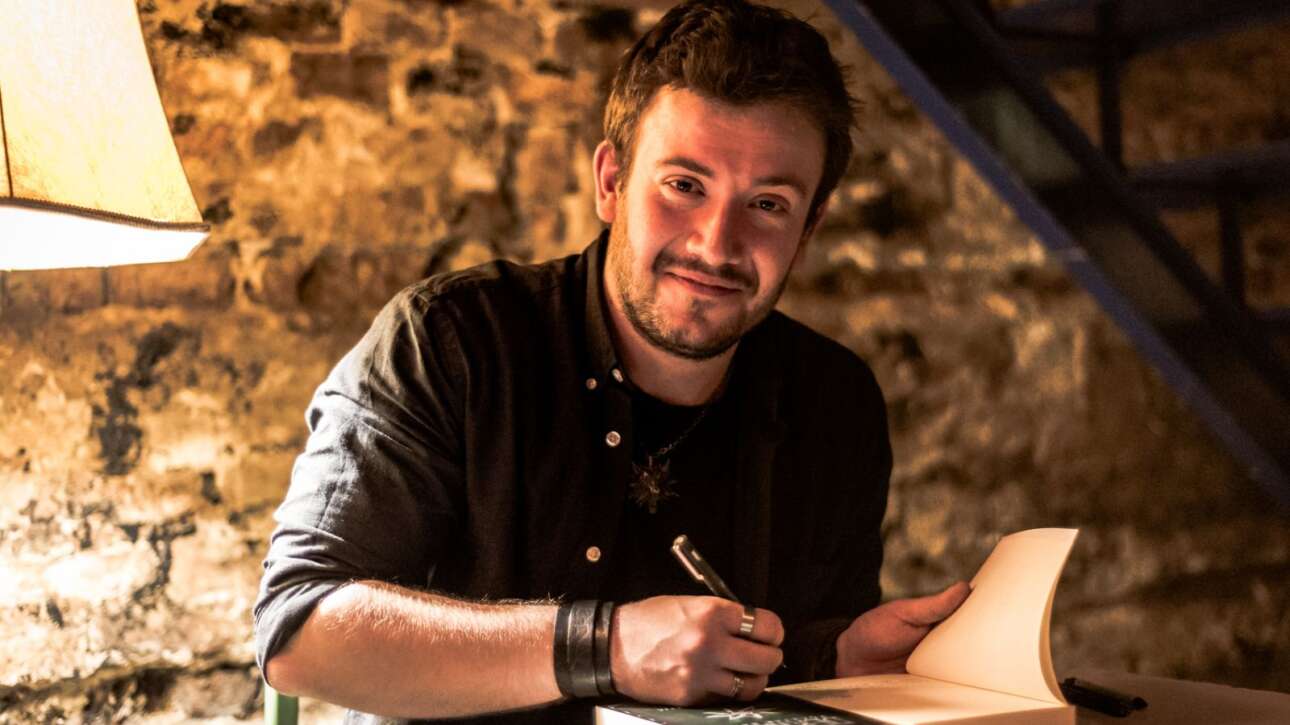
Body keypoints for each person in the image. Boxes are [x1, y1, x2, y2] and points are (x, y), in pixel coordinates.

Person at [254, 1, 969, 722]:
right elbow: (299, 630)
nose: (716, 244)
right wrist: (608, 645)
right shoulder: (450, 341)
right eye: (684, 186)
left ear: (809, 227)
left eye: (768, 204)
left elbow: (779, 674)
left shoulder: (836, 400)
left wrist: (836, 661)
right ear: (610, 181)